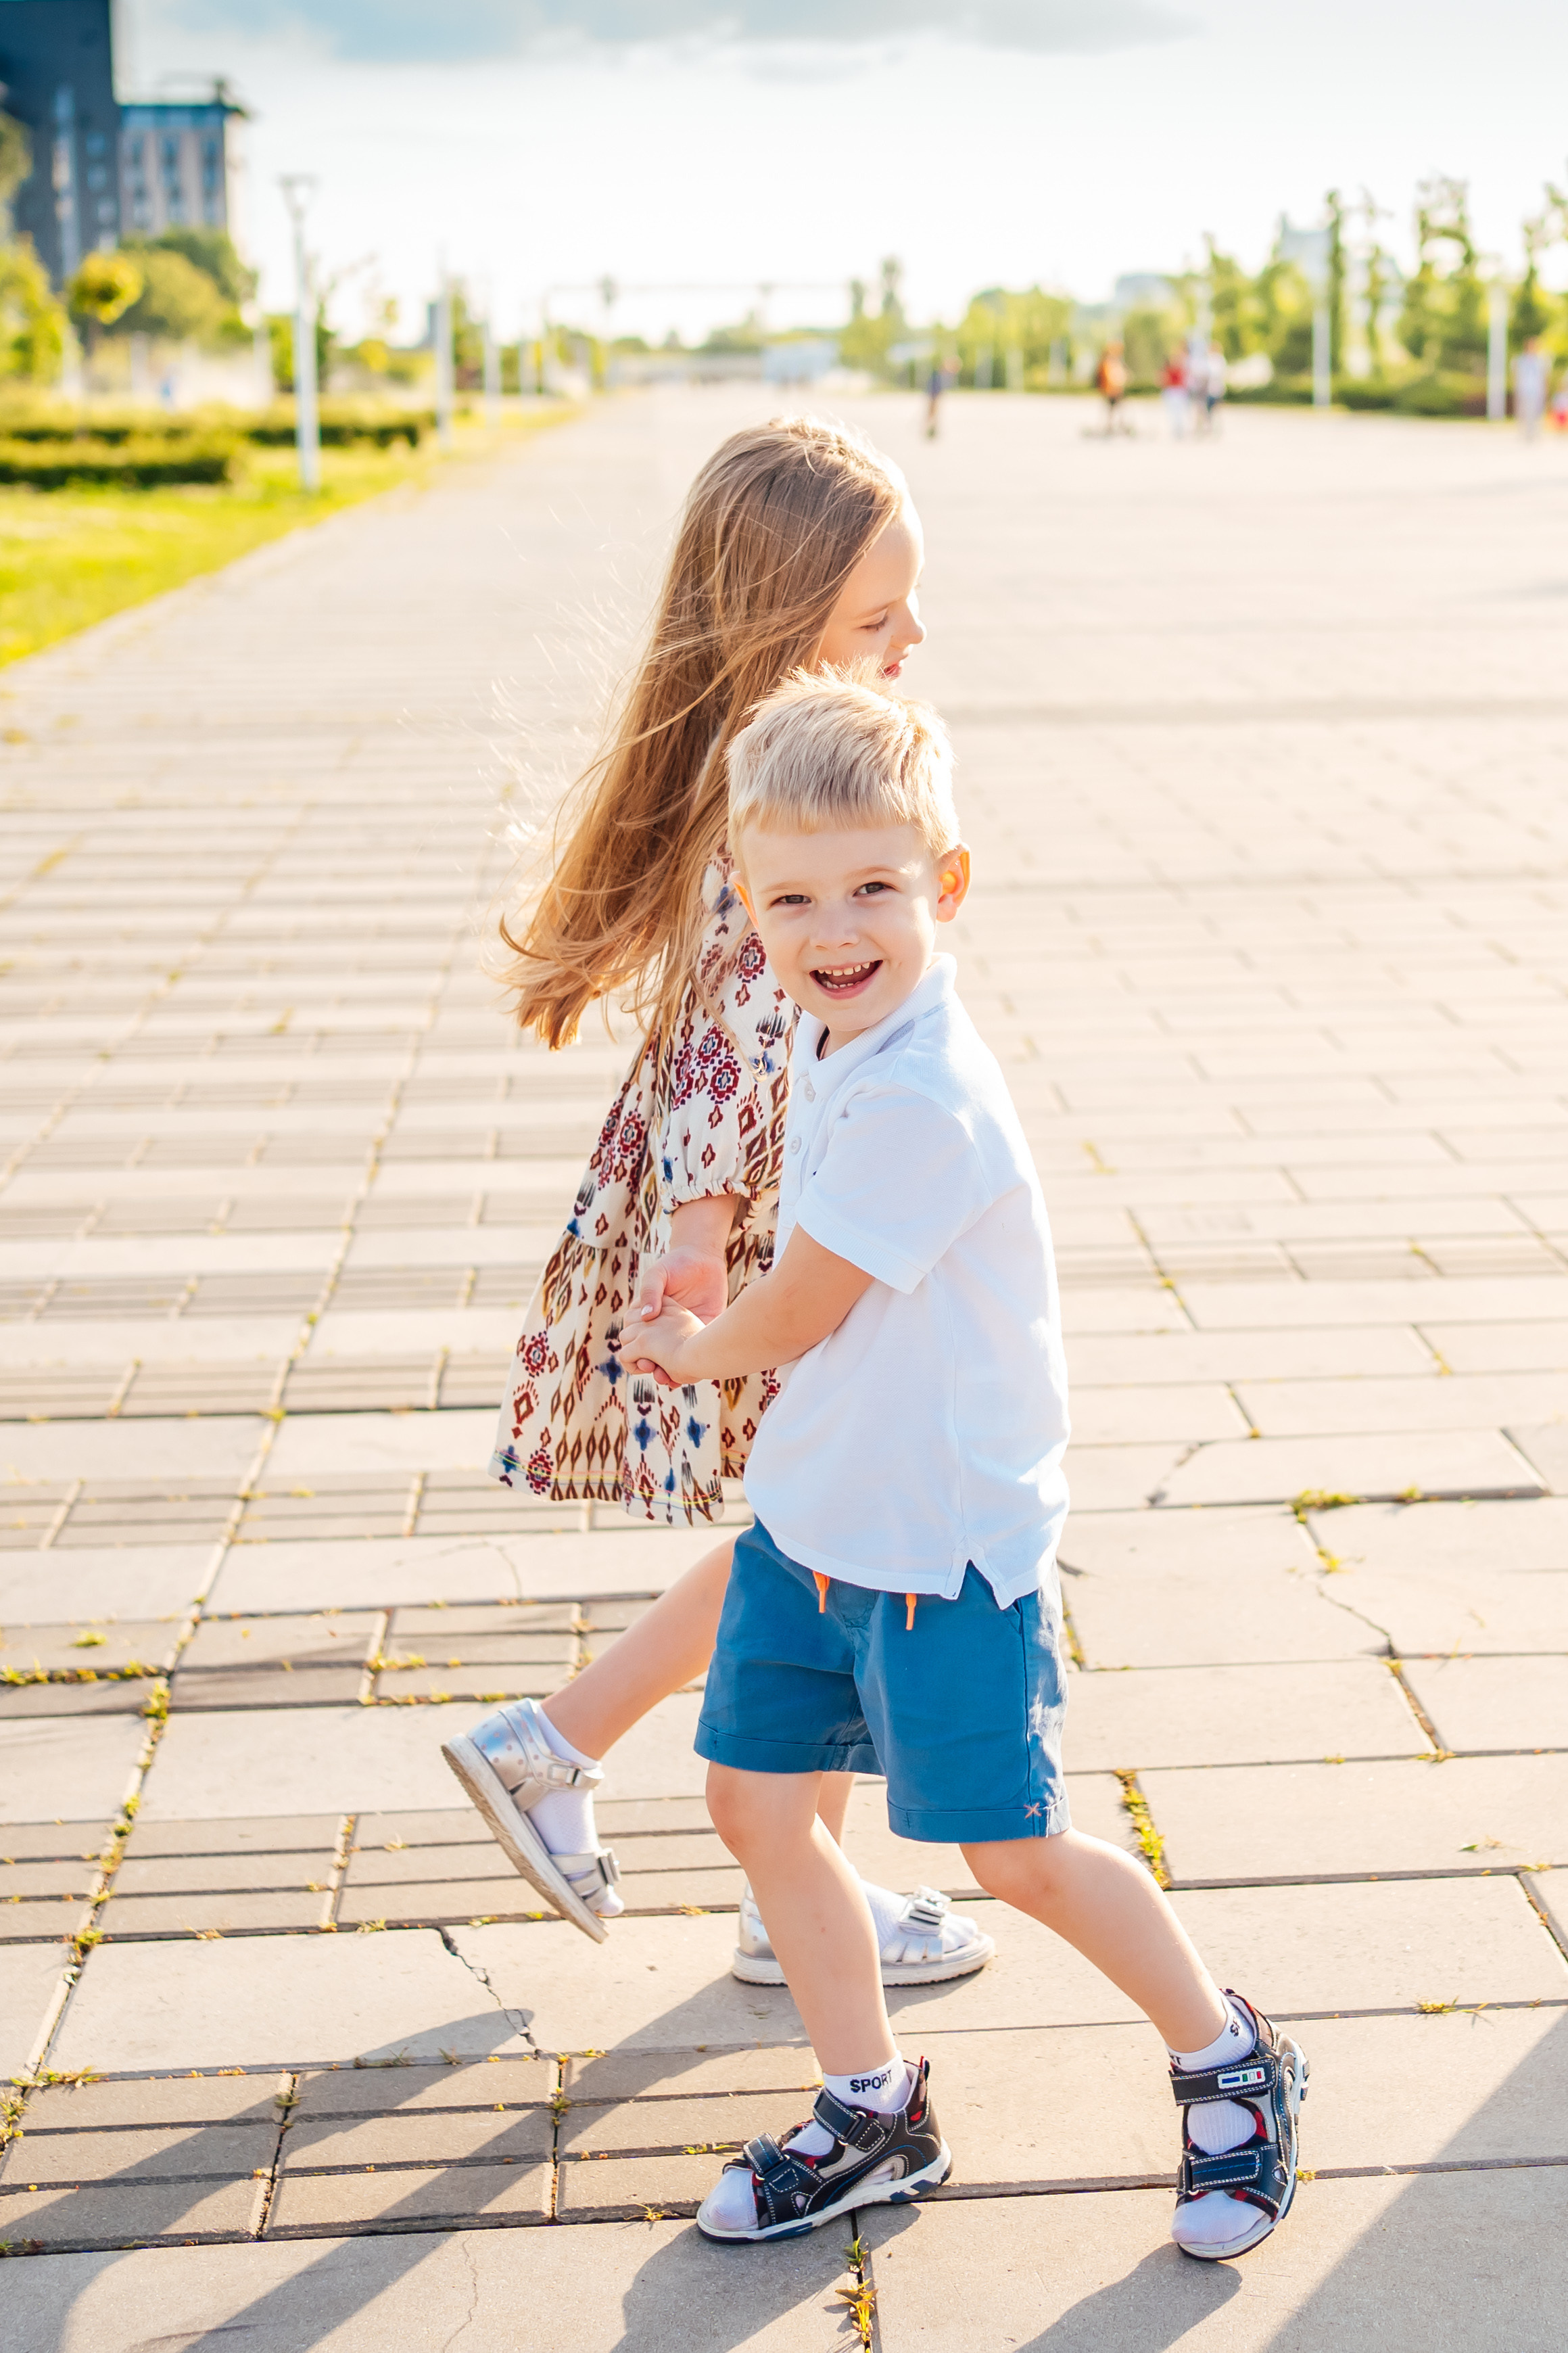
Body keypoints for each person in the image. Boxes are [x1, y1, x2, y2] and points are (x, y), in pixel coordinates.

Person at [629, 673, 1310, 2260]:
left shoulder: (929, 1094)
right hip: (816, 1523)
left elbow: (803, 1304)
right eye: (792, 896)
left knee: (1005, 1850)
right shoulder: (832, 1032)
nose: (833, 927)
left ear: (945, 884)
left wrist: (693, 1345)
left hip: (942, 1550)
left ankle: (1228, 2055)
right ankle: (872, 2108)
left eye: (874, 887)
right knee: (755, 1806)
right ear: (746, 897)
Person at [442, 417, 993, 1993]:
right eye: (875, 623)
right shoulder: (776, 802)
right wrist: (700, 1245)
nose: (908, 642)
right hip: (763, 1224)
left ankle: (728, 1848)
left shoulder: (771, 768)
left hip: (785, 1207)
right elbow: (720, 1045)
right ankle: (567, 1744)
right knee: (817, 1543)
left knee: (814, 1537)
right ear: (784, 621)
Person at [1096, 340, 1128, 434]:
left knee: (1117, 408)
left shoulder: (1113, 362)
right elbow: (1110, 377)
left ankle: (1116, 425)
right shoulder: (1107, 363)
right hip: (1111, 390)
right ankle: (1111, 426)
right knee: (1112, 408)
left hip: (1115, 389)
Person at [1160, 350, 1189, 438]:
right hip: (1172, 391)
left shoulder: (1181, 369)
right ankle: (1175, 429)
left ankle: (1179, 429)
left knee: (1179, 412)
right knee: (1173, 412)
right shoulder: (1169, 369)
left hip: (1179, 391)